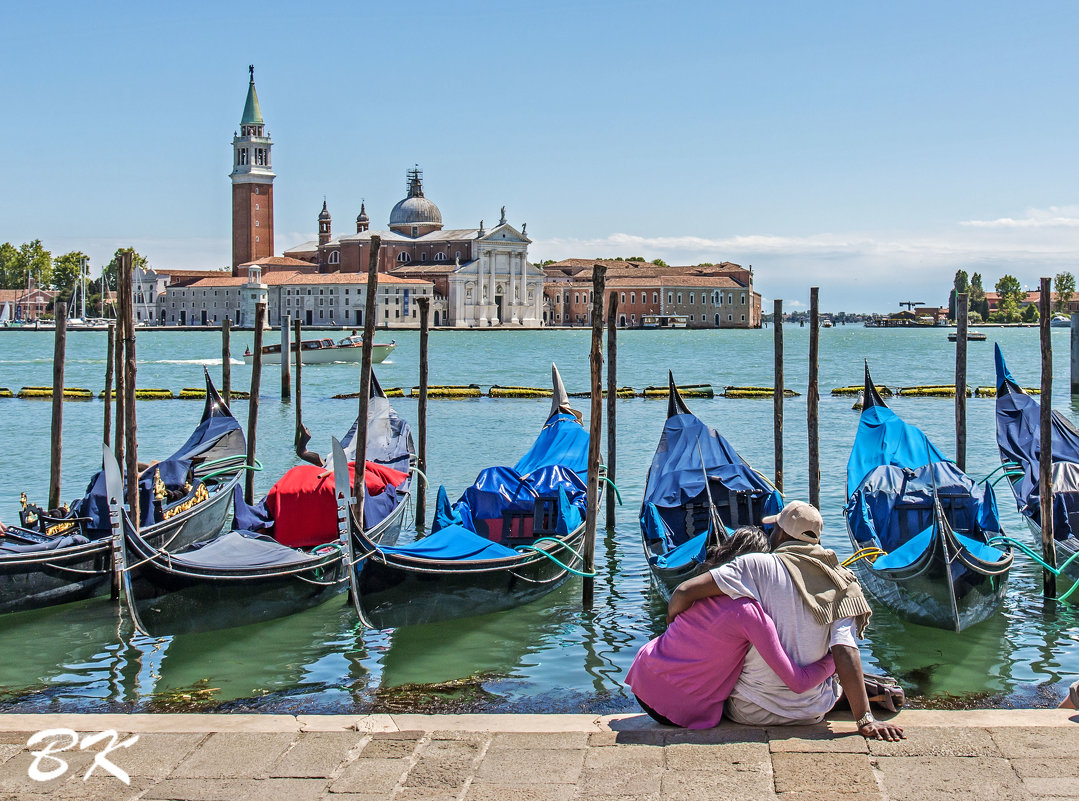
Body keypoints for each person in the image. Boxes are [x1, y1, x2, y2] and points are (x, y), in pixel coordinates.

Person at [668, 500, 904, 741]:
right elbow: (845, 650)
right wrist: (865, 719)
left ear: (780, 533)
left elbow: (684, 592)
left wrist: (673, 637)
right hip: (812, 712)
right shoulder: (843, 582)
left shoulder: (754, 566)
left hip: (749, 710)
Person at [626, 527, 837, 728]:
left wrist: (672, 625)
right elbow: (797, 682)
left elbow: (680, 596)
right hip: (680, 709)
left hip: (643, 676)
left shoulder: (700, 594)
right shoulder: (751, 615)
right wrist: (834, 660)